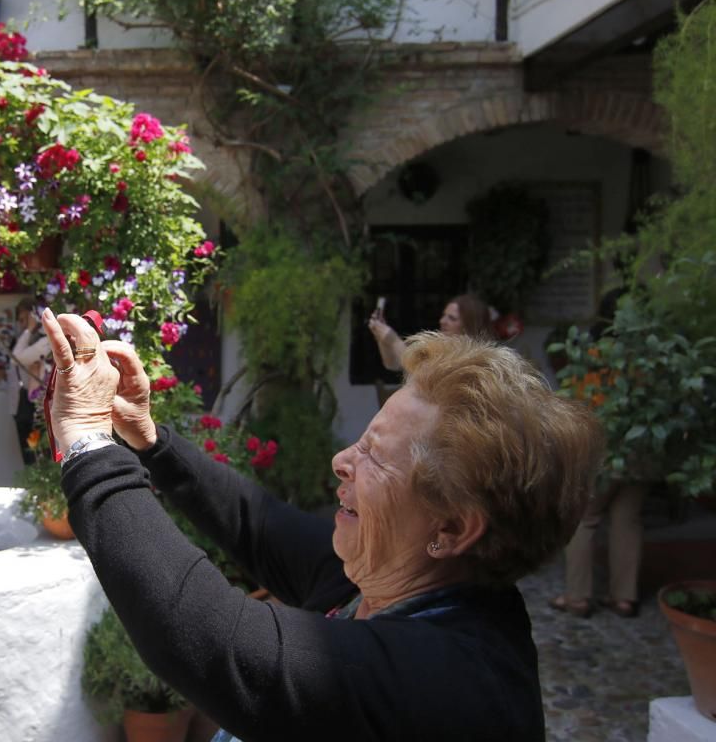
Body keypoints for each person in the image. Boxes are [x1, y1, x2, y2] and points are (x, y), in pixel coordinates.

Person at [41, 310, 603, 741]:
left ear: (454, 529)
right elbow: (256, 524)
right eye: (362, 438)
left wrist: (88, 444)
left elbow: (209, 640)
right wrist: (147, 437)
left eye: (376, 457)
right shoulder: (388, 577)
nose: (341, 459)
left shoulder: (450, 679)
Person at [550, 288, 644, 619]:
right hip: (639, 448)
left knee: (583, 520)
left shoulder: (592, 355)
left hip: (602, 450)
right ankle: (624, 597)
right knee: (628, 520)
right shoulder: (647, 354)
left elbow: (578, 404)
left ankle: (577, 597)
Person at [368, 293, 491, 371]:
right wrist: (381, 337)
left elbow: (422, 373)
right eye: (444, 315)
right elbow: (393, 364)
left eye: (452, 318)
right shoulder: (441, 348)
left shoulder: (474, 359)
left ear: (469, 326)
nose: (442, 321)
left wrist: (393, 340)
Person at [7, 298, 51, 466]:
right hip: (21, 403)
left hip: (35, 402)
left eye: (26, 319)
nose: (23, 324)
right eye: (20, 320)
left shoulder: (42, 340)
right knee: (29, 452)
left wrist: (30, 330)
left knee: (40, 453)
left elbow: (16, 359)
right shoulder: (19, 340)